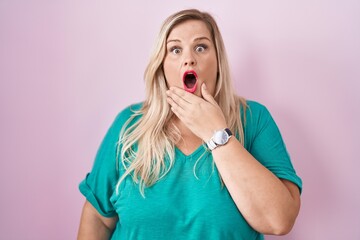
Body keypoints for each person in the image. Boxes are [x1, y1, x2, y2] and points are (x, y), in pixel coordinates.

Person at [77, 8, 302, 240]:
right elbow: (97, 219)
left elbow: (279, 220)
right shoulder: (129, 125)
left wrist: (216, 133)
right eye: (175, 49)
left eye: (201, 47)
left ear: (218, 61)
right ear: (162, 65)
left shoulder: (254, 120)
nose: (189, 58)